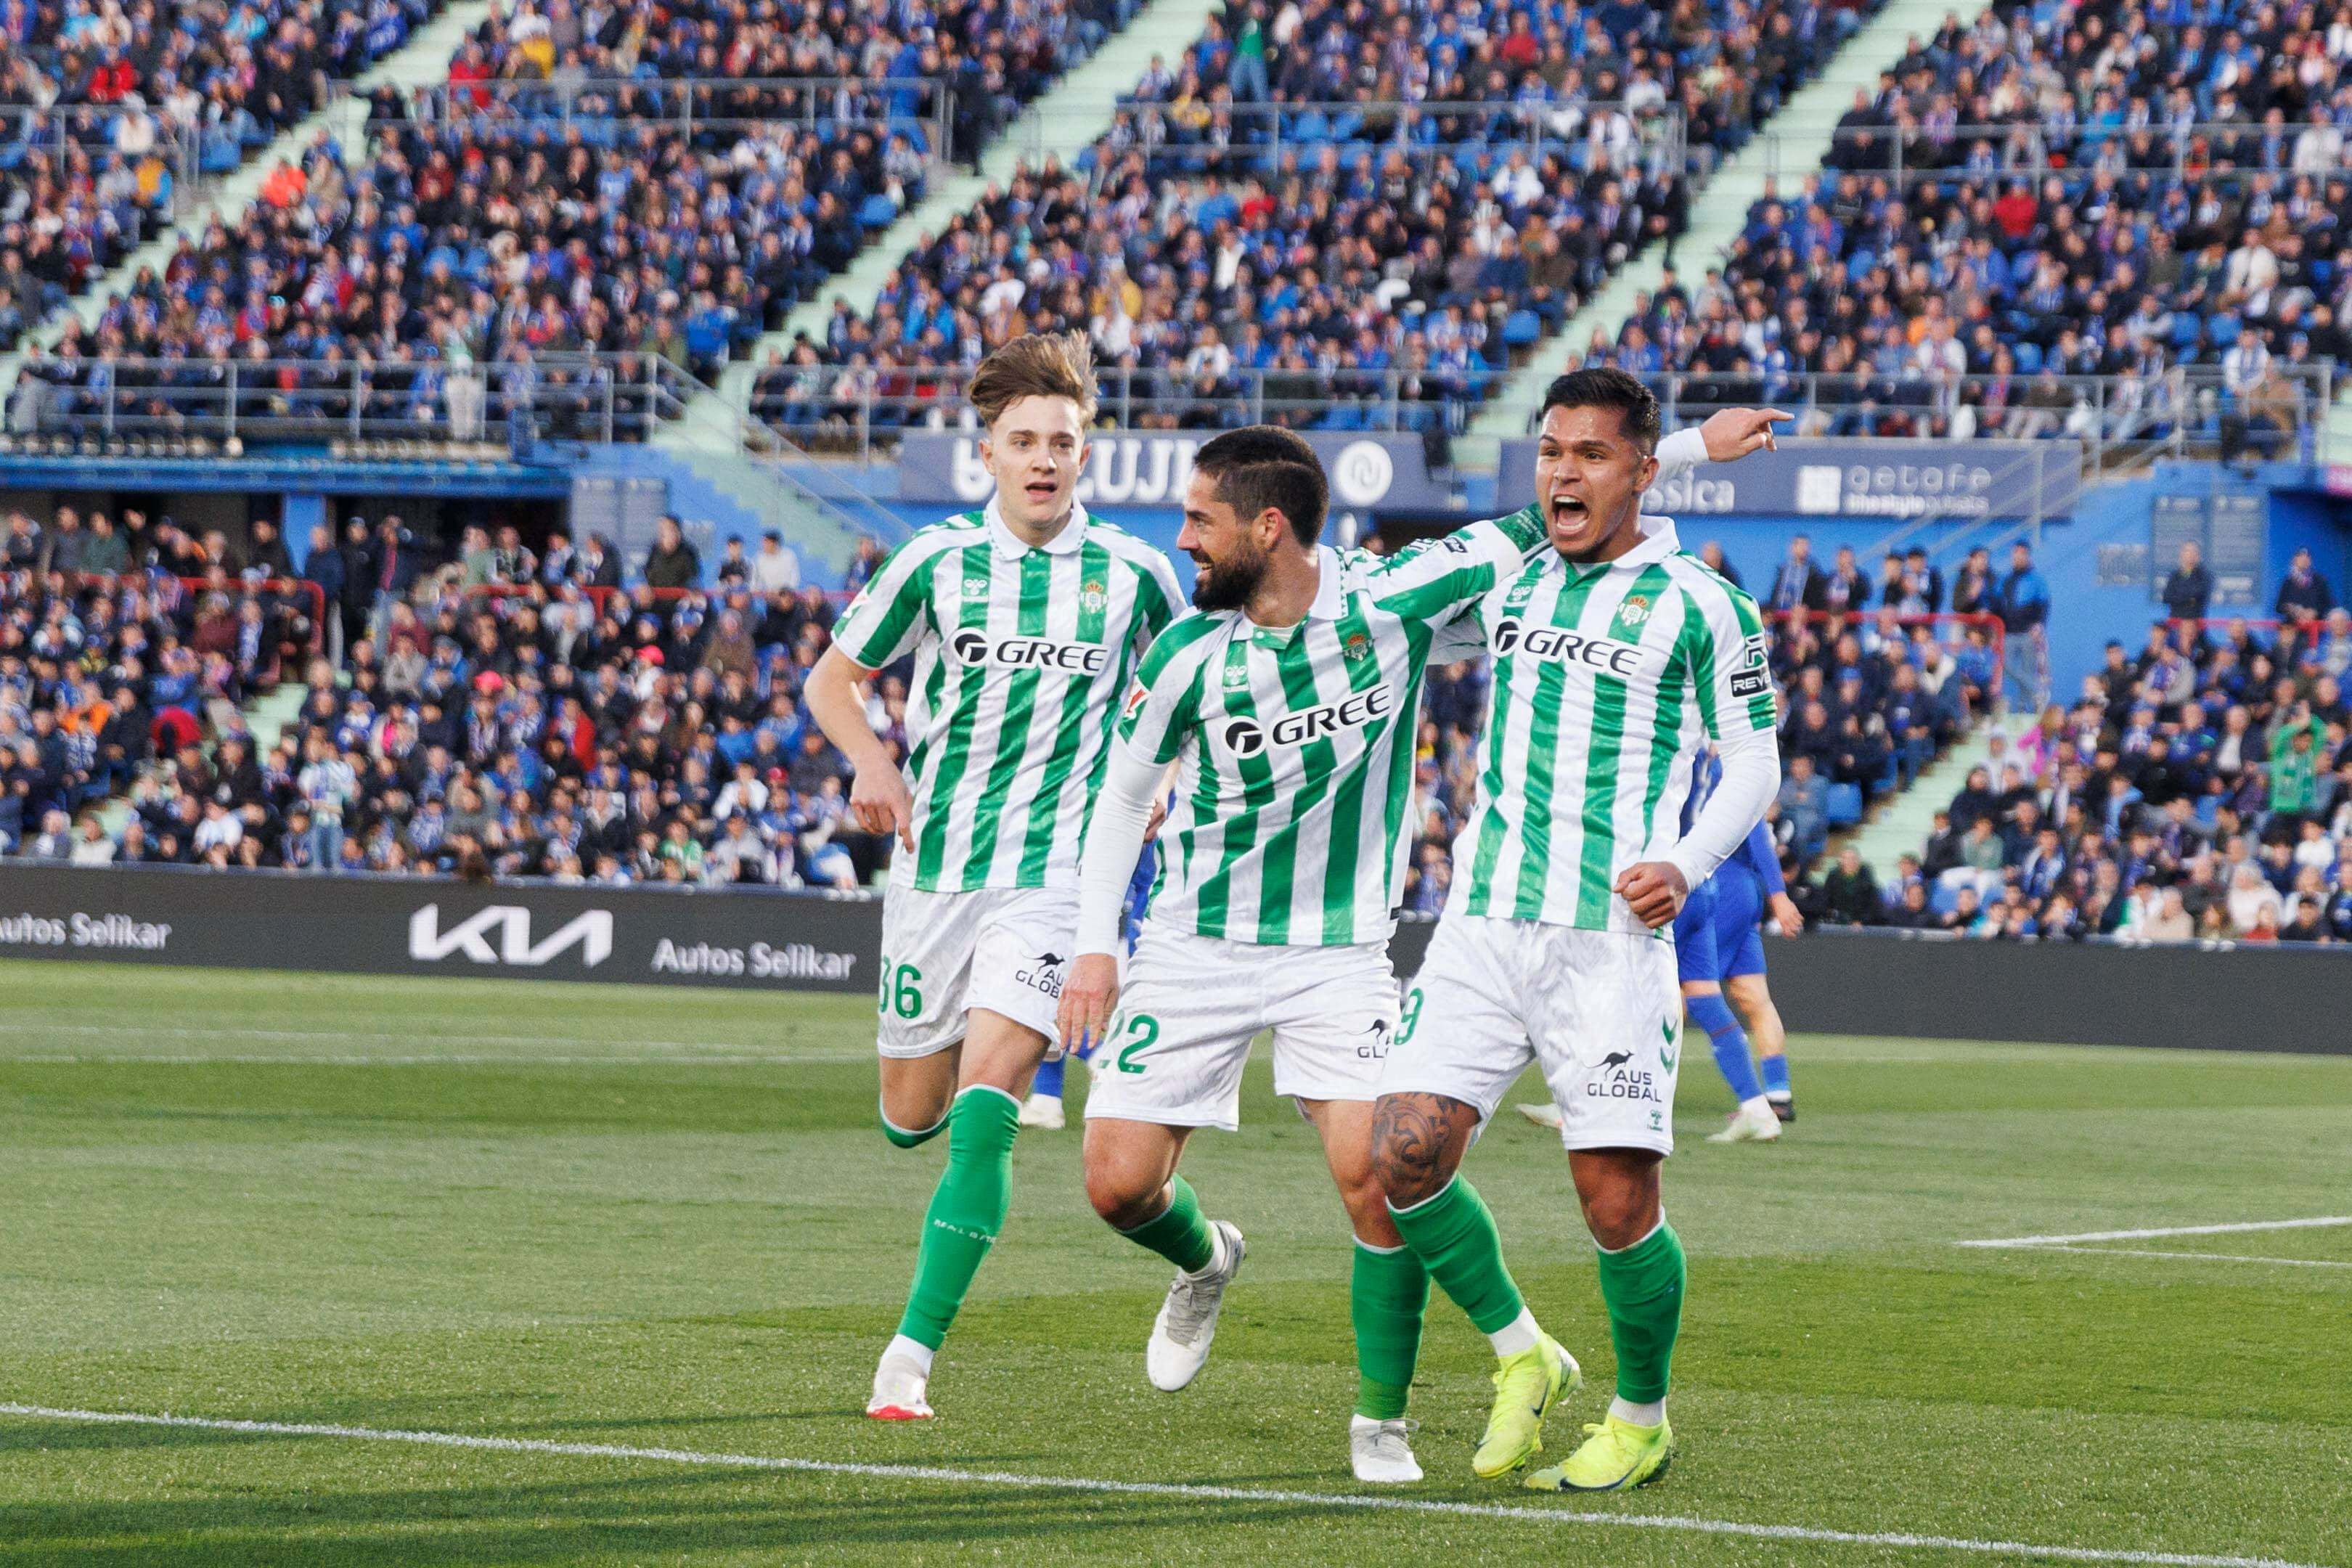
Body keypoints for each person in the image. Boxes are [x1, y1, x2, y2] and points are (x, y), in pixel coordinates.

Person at [1058, 406, 1785, 1485]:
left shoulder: (1423, 601)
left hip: (1447, 944)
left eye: (1199, 520)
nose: (1182, 540)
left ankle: (1502, 1419)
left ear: (1267, 527)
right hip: (1322, 936)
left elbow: (1748, 751)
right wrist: (1094, 947)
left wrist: (1681, 451)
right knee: (1207, 1179)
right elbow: (1122, 797)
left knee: (1557, 1193)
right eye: (1548, 451)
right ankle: (1498, 1346)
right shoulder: (1201, 648)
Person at [1368, 369, 1781, 1495]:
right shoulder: (1514, 573)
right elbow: (1393, 599)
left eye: (1594, 455)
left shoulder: (1704, 605)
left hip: (1608, 941)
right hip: (1481, 926)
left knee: (1614, 1202)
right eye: (1552, 451)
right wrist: (1689, 442)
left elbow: (1755, 760)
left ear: (1641, 472)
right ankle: (1525, 1352)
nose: (1564, 471)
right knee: (1400, 1158)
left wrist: (1687, 865)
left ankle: (1640, 1418)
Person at [804, 332, 1185, 1424]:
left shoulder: (1135, 576)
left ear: (1087, 453)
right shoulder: (934, 564)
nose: (1044, 458)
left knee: (986, 1113)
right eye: (1024, 440)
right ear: (989, 454)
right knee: (908, 1117)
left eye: (1062, 440)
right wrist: (874, 758)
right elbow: (833, 682)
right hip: (938, 874)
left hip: (1058, 880)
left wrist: (1167, 785)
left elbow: (1197, 695)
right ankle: (1201, 1245)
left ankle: (908, 1360)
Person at [1995, 542, 2050, 711]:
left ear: (2028, 555)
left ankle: (2023, 707)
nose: (2018, 557)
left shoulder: (2037, 580)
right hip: (2009, 632)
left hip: (2028, 633)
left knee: (2028, 668)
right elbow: (1997, 603)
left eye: (2022, 554)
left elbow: (2044, 604)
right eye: (2015, 554)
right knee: (2005, 665)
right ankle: (2036, 690)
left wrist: (2039, 625)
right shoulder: (2005, 580)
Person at [2161, 542, 2212, 625]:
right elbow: (2166, 598)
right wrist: (2189, 599)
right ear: (2182, 554)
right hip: (2175, 622)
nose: (2191, 555)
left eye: (2194, 552)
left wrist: (2178, 596)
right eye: (2187, 551)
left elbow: (2198, 595)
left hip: (2195, 623)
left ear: (2198, 556)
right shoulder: (2174, 575)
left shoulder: (2204, 576)